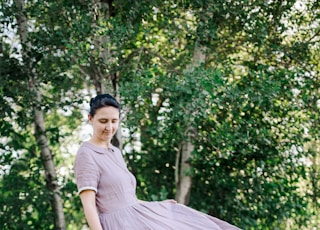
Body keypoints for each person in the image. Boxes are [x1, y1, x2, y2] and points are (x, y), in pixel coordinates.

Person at [74, 93, 240, 230]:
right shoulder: (86, 154)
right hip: (119, 224)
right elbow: (89, 205)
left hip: (137, 217)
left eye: (114, 121)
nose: (109, 127)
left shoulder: (115, 152)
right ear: (90, 118)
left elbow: (127, 198)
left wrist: (156, 205)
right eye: (103, 121)